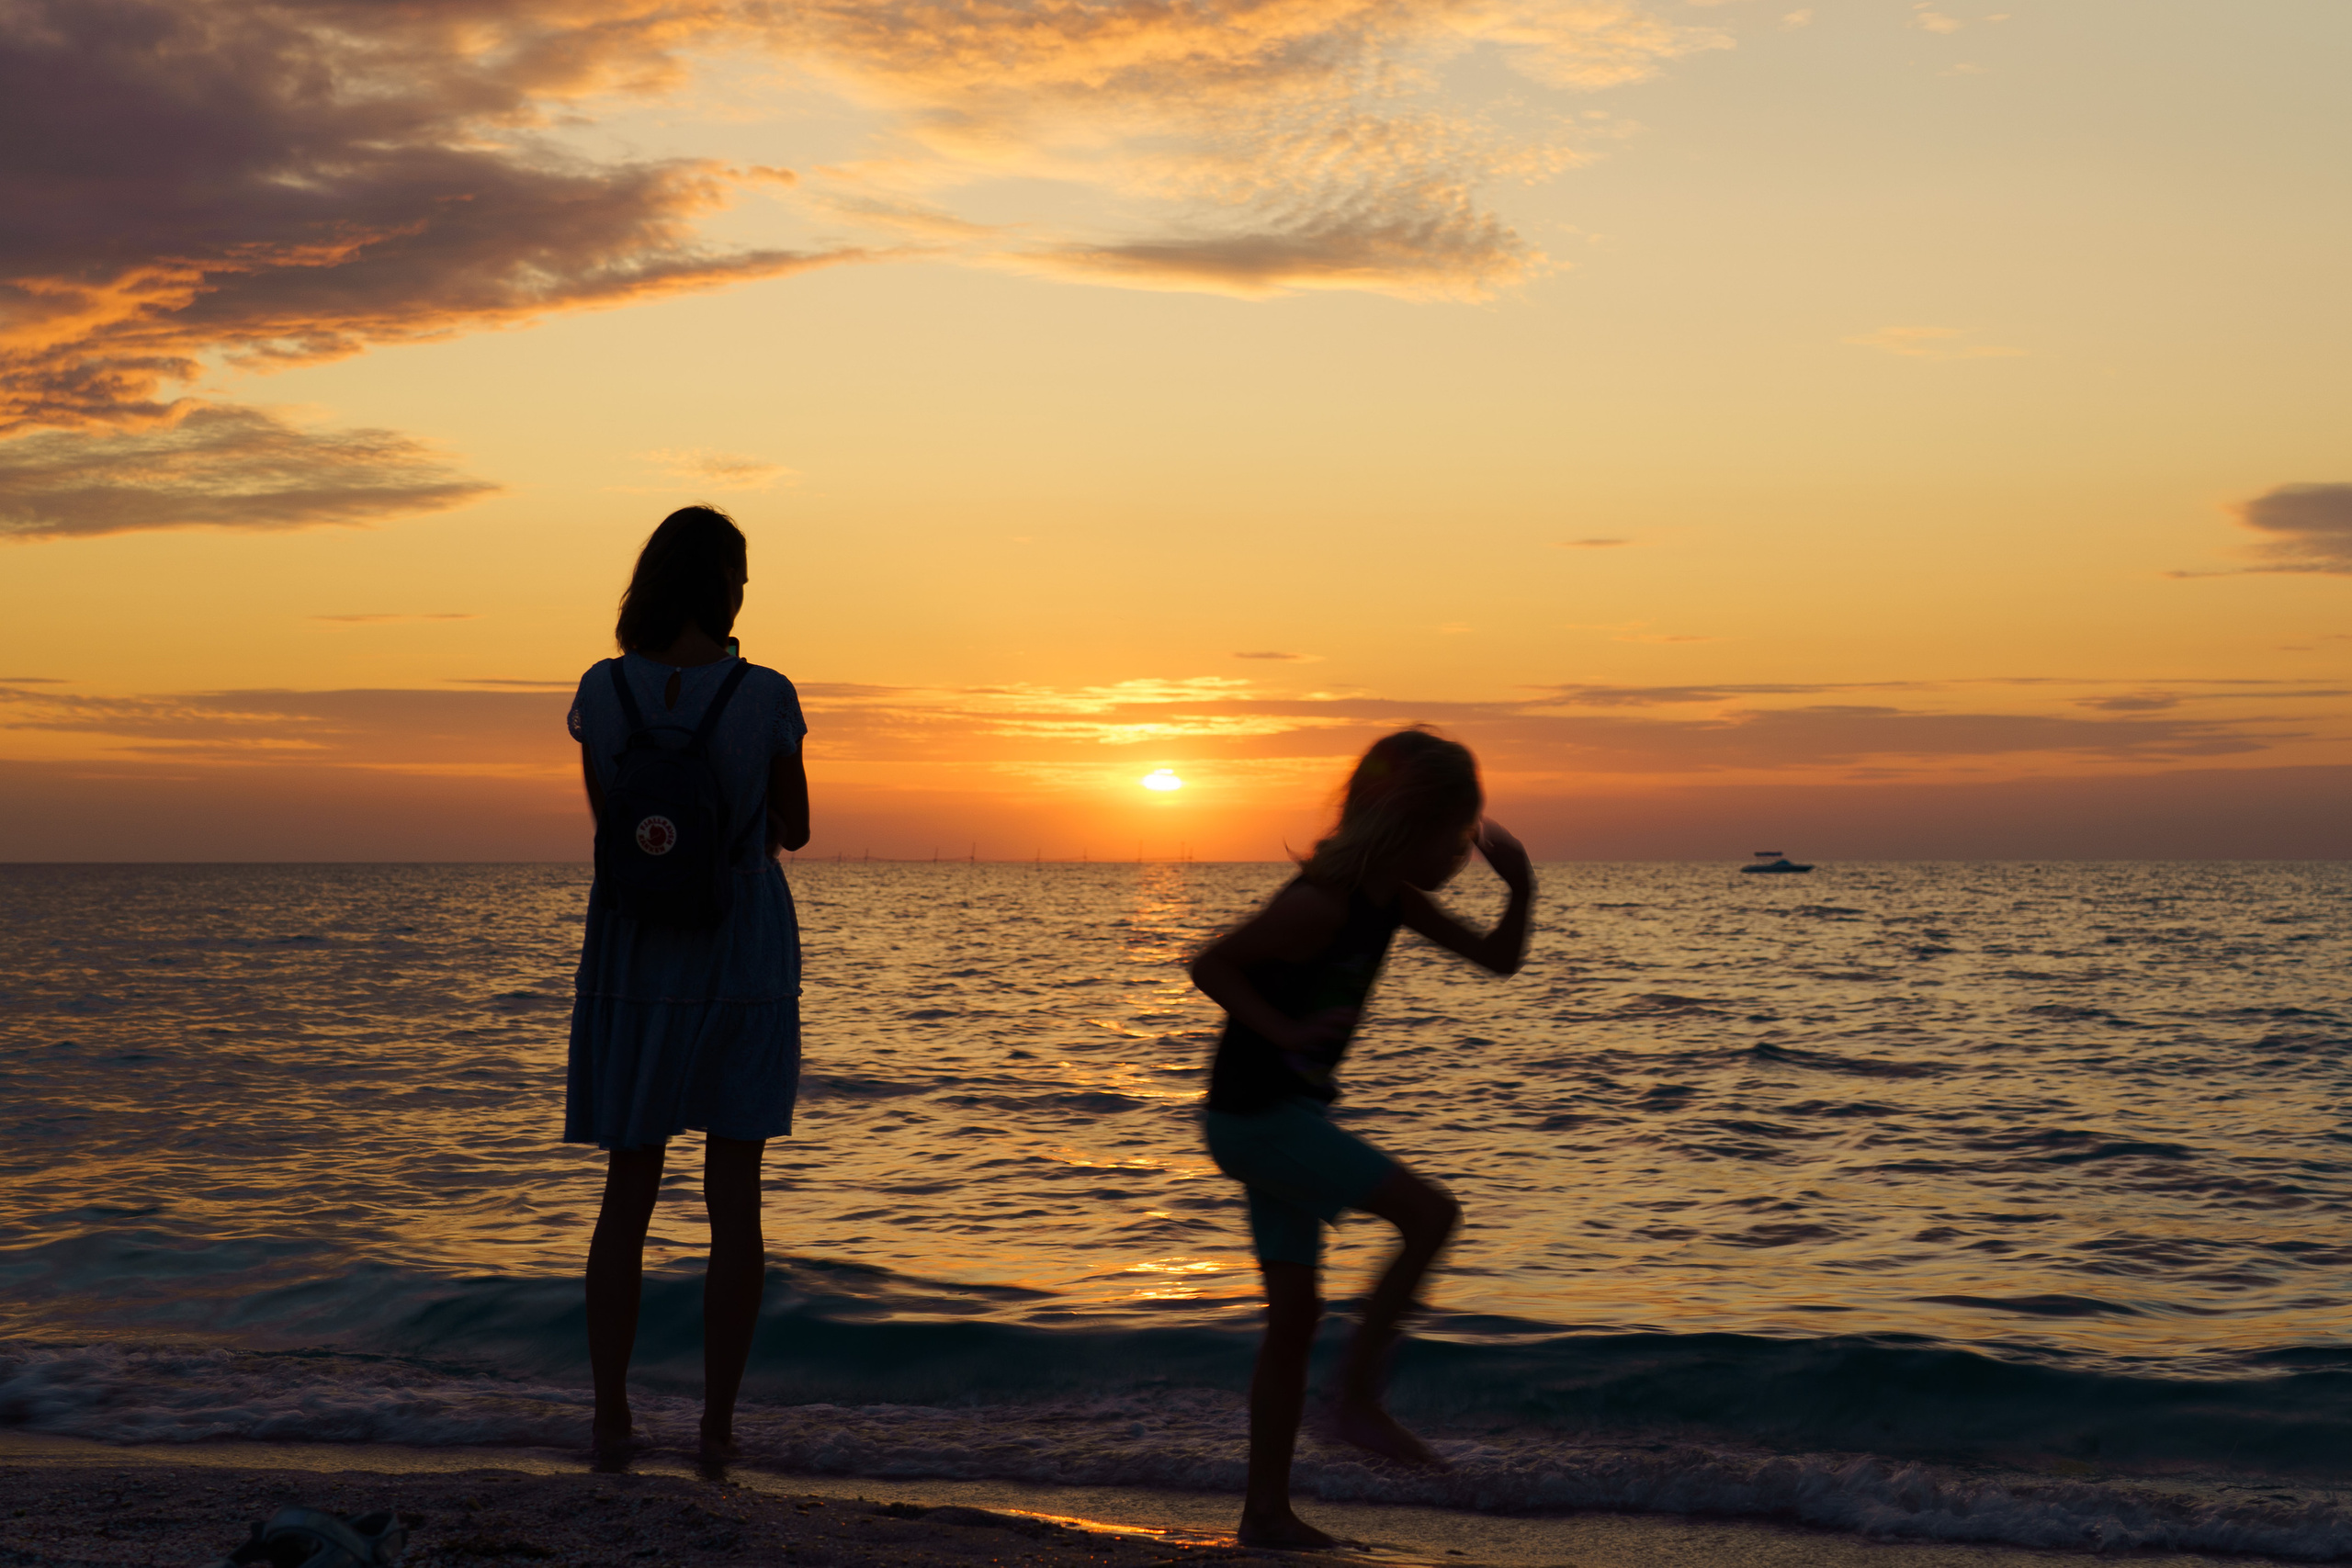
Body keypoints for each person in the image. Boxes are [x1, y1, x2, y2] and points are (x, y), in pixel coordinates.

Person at [1189, 728, 1533, 1549]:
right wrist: (1288, 1029)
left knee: (1294, 1318)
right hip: (1255, 1119)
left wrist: (1519, 890)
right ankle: (1358, 1400)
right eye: (1454, 833)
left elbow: (1497, 960)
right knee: (1430, 1215)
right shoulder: (1320, 902)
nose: (1459, 853)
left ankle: (1264, 1515)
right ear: (1404, 824)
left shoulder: (1391, 899)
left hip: (1284, 1119)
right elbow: (1212, 965)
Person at [563, 504, 811, 1466]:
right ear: (723, 583)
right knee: (733, 1202)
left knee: (628, 1189)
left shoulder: (602, 689)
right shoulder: (765, 695)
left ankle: (611, 1418)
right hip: (739, 951)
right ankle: (715, 1427)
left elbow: (612, 830)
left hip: (632, 957)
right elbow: (790, 829)